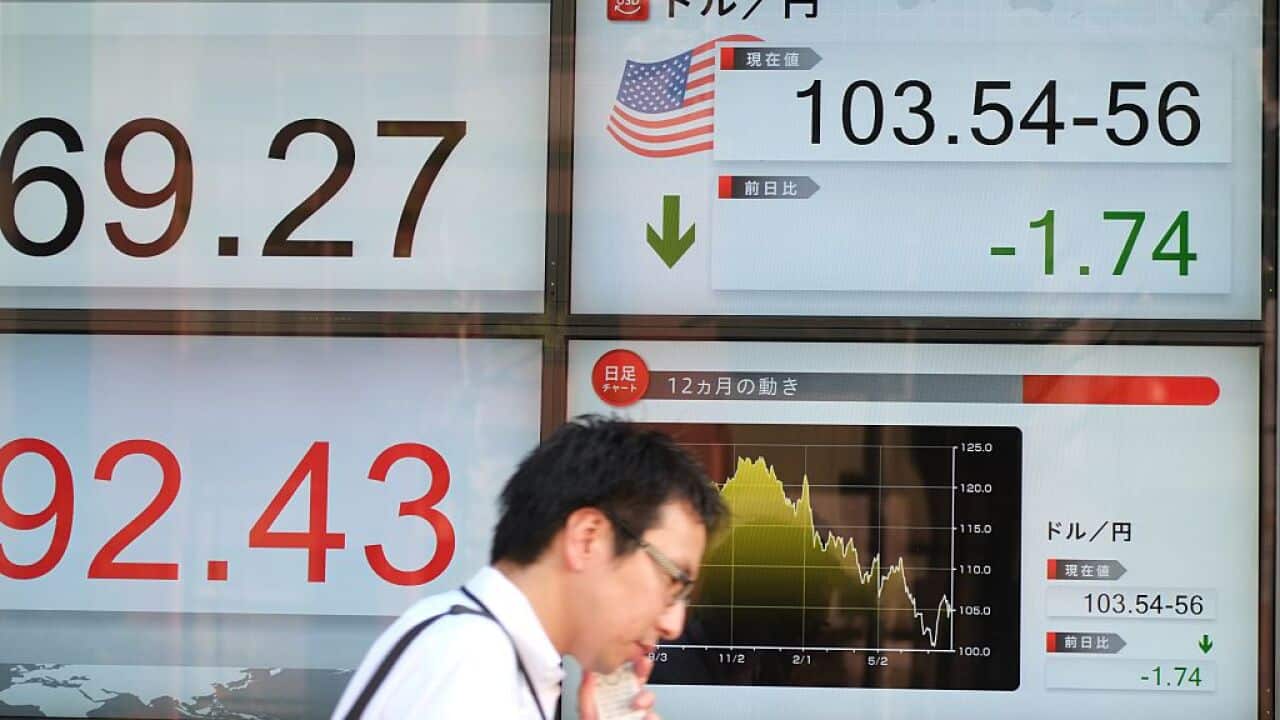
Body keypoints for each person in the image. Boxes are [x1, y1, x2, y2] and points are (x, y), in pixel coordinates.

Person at [331, 415, 726, 719]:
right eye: (673, 580)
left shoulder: (493, 656)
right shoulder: (473, 663)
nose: (674, 624)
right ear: (588, 538)